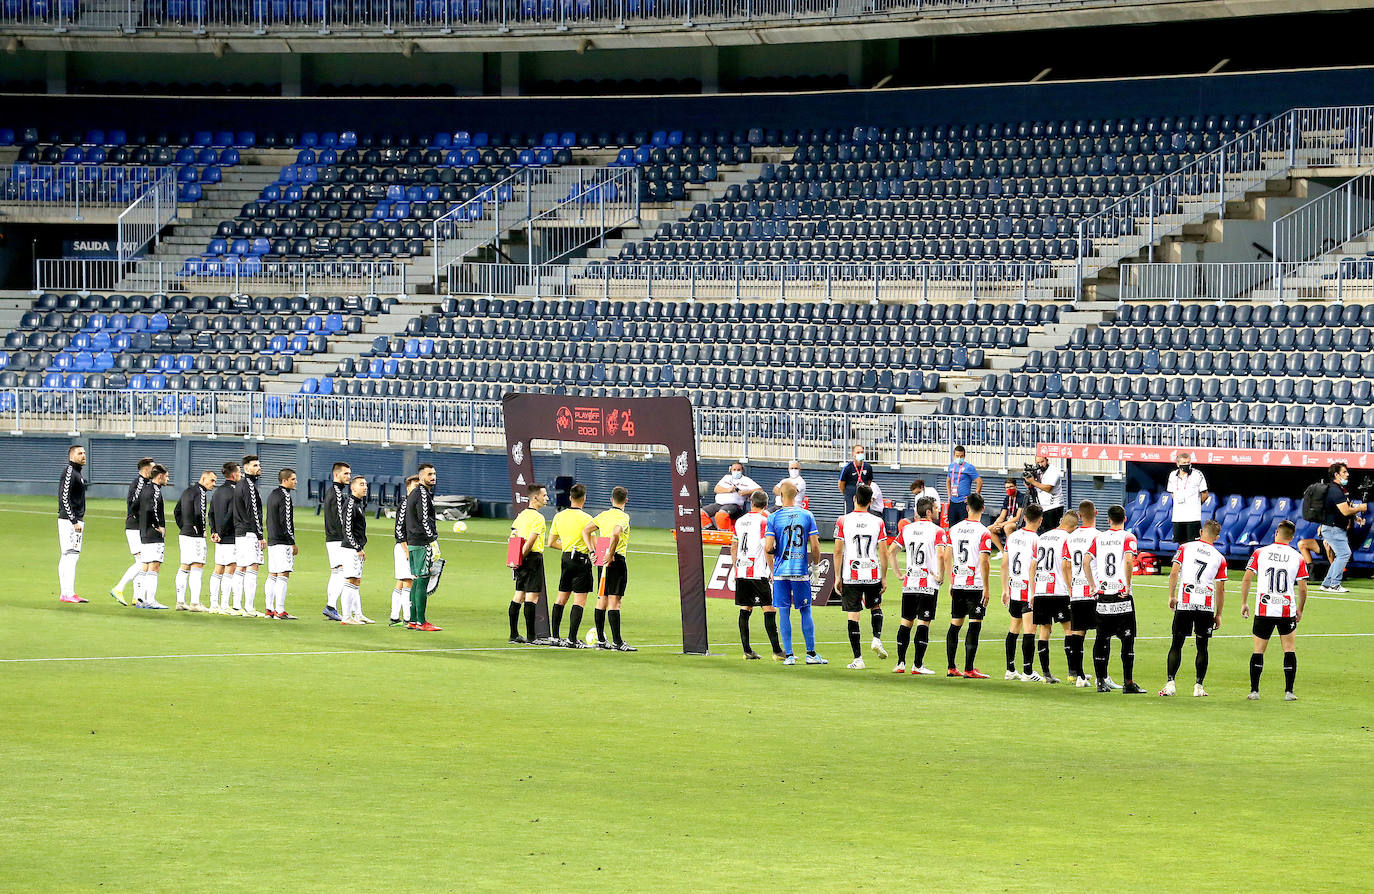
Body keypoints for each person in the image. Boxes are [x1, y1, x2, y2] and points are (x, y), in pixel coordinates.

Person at [1240, 520, 1308, 702]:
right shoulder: (1298, 557)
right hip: (1286, 610)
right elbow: (1302, 588)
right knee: (1289, 650)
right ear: (1292, 537)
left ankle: (1254, 691)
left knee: (1258, 650)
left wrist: (1244, 602)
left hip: (1264, 608)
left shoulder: (1260, 553)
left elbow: (1247, 579)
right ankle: (1289, 692)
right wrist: (1300, 609)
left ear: (1277, 532)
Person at [1161, 519, 1228, 698]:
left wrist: (1171, 595)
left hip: (1185, 602)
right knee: (1202, 646)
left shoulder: (1185, 548)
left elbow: (1174, 572)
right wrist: (1219, 613)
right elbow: (1221, 589)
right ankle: (1198, 686)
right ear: (1217, 537)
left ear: (1200, 531)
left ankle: (1170, 683)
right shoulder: (1220, 558)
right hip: (1205, 606)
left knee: (1177, 643)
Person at [764, 480, 825, 666]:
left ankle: (789, 655)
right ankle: (811, 653)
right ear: (796, 495)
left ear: (781, 496)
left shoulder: (773, 518)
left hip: (781, 571)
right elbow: (815, 545)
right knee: (806, 611)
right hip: (800, 571)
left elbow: (768, 547)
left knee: (784, 612)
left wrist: (774, 565)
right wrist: (815, 567)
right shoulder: (807, 515)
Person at [833, 484, 888, 670]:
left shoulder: (843, 520)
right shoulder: (878, 521)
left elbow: (838, 551)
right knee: (875, 606)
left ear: (854, 499)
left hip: (851, 573)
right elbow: (883, 551)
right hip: (871, 571)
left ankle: (858, 659)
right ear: (871, 502)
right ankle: (876, 638)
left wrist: (837, 576)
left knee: (853, 615)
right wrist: (884, 576)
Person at [1092, 505, 1145, 693]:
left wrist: (1093, 586)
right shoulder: (1128, 537)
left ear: (1108, 520)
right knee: (1127, 639)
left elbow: (1085, 560)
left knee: (1101, 638)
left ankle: (1100, 682)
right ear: (1125, 518)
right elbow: (1129, 560)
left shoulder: (1099, 538)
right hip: (1122, 595)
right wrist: (1128, 585)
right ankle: (1128, 682)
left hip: (1103, 595)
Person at [894, 495, 949, 675]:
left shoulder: (907, 529)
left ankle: (900, 663)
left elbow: (891, 550)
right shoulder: (937, 531)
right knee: (923, 622)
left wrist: (898, 573)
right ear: (928, 511)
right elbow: (941, 555)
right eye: (935, 508)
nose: (938, 510)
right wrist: (940, 576)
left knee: (905, 622)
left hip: (910, 583)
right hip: (928, 584)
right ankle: (917, 665)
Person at [945, 492, 993, 679]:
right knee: (975, 624)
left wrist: (951, 580)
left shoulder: (954, 529)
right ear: (983, 508)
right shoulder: (983, 532)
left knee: (955, 623)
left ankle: (951, 667)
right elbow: (984, 561)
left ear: (967, 508)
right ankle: (968, 668)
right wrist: (987, 588)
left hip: (958, 582)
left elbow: (946, 556)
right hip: (975, 586)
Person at [732, 490, 783, 660]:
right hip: (758, 572)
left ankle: (747, 651)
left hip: (742, 570)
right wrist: (772, 571)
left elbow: (733, 546)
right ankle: (777, 651)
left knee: (746, 608)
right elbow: (768, 548)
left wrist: (736, 568)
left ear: (751, 503)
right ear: (766, 505)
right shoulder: (765, 521)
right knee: (769, 608)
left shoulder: (740, 521)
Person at [584, 486, 635, 651]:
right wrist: (611, 554)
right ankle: (618, 642)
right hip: (615, 559)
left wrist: (593, 551)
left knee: (602, 599)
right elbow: (615, 534)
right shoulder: (623, 516)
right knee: (615, 601)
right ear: (626, 500)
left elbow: (586, 531)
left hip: (601, 553)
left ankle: (600, 639)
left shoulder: (603, 515)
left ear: (611, 499)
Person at [1031, 508, 1076, 684]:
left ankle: (1046, 674)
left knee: (1044, 631)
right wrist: (1071, 588)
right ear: (1073, 526)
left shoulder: (1042, 537)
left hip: (1041, 590)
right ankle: (1072, 672)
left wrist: (1033, 591)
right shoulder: (1068, 538)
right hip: (1059, 591)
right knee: (1069, 630)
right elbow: (1066, 566)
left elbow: (1032, 566)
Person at [548, 483, 595, 647]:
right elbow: (593, 544)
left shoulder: (559, 516)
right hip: (581, 560)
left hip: (566, 558)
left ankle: (554, 636)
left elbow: (551, 543)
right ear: (584, 498)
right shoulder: (588, 519)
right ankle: (572, 639)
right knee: (579, 600)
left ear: (570, 498)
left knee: (561, 598)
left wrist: (568, 547)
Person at [1002, 503, 1042, 681]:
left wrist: (1004, 589)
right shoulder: (1037, 540)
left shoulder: (1012, 536)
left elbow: (1005, 563)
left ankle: (1010, 669)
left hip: (1014, 587)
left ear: (1024, 517)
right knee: (1029, 631)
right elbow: (1034, 567)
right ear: (1040, 520)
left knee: (1013, 629)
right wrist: (1034, 592)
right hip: (1028, 590)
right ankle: (1027, 672)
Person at [1064, 500, 1100, 688]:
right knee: (1103, 634)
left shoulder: (1070, 537)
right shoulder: (1099, 536)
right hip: (1094, 592)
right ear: (1096, 513)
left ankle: (1079, 676)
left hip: (1076, 591)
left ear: (1079, 516)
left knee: (1077, 633)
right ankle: (1103, 676)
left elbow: (1066, 565)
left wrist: (1071, 586)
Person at [110, 456, 155, 605]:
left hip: (140, 527)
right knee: (142, 562)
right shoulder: (139, 483)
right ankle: (118, 588)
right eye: (153, 468)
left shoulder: (147, 483)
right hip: (134, 527)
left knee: (141, 562)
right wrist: (141, 515)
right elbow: (132, 504)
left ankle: (136, 597)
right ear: (146, 469)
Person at [403, 463, 442, 632]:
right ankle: (421, 621)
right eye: (429, 474)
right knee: (423, 579)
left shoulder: (414, 493)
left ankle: (412, 619)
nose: (432, 477)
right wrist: (432, 540)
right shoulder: (423, 495)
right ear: (421, 477)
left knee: (417, 579)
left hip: (412, 542)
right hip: (422, 542)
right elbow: (424, 519)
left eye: (434, 474)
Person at [508, 483, 549, 645]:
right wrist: (521, 557)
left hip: (520, 557)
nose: (547, 498)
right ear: (535, 497)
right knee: (532, 597)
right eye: (544, 495)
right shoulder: (538, 518)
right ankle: (532, 637)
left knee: (519, 595)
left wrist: (514, 559)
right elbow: (531, 541)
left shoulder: (521, 515)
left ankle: (514, 635)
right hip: (532, 558)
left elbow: (513, 537)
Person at [1318, 462, 1367, 594]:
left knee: (1341, 554)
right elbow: (1345, 511)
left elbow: (1341, 510)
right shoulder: (1335, 490)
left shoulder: (1339, 490)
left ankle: (1327, 583)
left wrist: (1356, 518)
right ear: (1336, 475)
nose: (1347, 474)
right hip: (1333, 528)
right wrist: (1360, 507)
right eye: (1344, 472)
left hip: (1334, 528)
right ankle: (1335, 585)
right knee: (1344, 554)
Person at [173, 469, 216, 612]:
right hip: (194, 536)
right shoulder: (201, 493)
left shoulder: (187, 491)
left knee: (184, 566)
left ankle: (180, 601)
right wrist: (200, 529)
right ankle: (195, 603)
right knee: (198, 566)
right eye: (212, 480)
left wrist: (184, 526)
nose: (213, 484)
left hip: (184, 534)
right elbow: (199, 512)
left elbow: (176, 511)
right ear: (203, 479)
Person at [233, 454, 267, 619]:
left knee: (241, 567)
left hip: (240, 532)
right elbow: (253, 512)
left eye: (259, 465)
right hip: (249, 533)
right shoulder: (249, 486)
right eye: (255, 465)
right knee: (253, 567)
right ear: (246, 468)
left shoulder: (239, 485)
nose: (258, 468)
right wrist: (260, 535)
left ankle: (237, 605)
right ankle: (249, 607)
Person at [264, 467, 298, 620]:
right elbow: (286, 522)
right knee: (283, 574)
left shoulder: (272, 494)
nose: (295, 482)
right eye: (293, 479)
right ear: (285, 480)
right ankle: (280, 610)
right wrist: (292, 542)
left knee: (272, 574)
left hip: (272, 540)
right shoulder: (285, 496)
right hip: (282, 541)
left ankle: (269, 609)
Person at [134, 464, 170, 610]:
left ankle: (140, 599)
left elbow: (133, 506)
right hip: (153, 534)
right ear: (160, 476)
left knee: (145, 566)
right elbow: (152, 509)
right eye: (166, 476)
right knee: (154, 566)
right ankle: (151, 600)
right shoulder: (155, 490)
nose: (168, 479)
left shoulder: (144, 489)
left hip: (143, 533)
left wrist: (142, 522)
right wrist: (158, 525)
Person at [57, 445, 88, 604]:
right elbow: (64, 497)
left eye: (84, 453)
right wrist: (74, 520)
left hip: (73, 519)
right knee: (71, 555)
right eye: (79, 453)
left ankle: (66, 593)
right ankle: (68, 593)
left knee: (67, 555)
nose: (83, 455)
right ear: (71, 456)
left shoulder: (77, 473)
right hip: (70, 521)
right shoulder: (70, 471)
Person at [208, 461, 240, 615]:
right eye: (239, 472)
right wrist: (221, 532)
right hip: (229, 536)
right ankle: (225, 605)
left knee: (218, 569)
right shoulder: (235, 491)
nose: (240, 475)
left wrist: (214, 531)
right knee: (231, 568)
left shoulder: (218, 491)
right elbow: (231, 514)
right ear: (234, 475)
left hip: (219, 538)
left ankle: (214, 604)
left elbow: (211, 513)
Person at [338, 475, 371, 625]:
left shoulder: (358, 504)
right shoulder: (350, 504)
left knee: (356, 581)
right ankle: (346, 617)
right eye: (361, 484)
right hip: (351, 549)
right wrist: (357, 547)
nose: (365, 487)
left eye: (366, 485)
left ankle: (358, 614)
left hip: (356, 548)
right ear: (353, 487)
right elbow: (347, 530)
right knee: (350, 580)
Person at [322, 461, 352, 622]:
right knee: (341, 572)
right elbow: (341, 520)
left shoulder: (333, 491)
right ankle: (331, 606)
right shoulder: (337, 493)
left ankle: (331, 606)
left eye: (349, 473)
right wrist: (347, 539)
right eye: (345, 473)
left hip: (332, 538)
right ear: (336, 474)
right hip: (337, 539)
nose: (348, 476)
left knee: (336, 572)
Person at [389, 476, 419, 627]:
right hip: (404, 547)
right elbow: (398, 530)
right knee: (408, 581)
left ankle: (395, 616)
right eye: (415, 485)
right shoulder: (406, 504)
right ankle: (408, 618)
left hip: (408, 547)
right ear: (408, 488)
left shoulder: (416, 503)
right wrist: (406, 550)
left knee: (401, 582)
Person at [1165, 452, 1209, 546]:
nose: (1186, 465)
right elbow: (1172, 493)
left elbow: (1205, 494)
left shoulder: (1197, 474)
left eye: (1188, 462)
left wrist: (1196, 504)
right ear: (1178, 464)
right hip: (1178, 517)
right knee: (1181, 544)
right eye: (1184, 463)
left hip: (1193, 517)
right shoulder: (1172, 475)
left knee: (1193, 544)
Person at [706, 461, 762, 527]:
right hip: (718, 504)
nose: (736, 471)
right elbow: (716, 489)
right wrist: (728, 490)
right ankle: (711, 530)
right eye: (734, 469)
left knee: (721, 515)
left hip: (734, 506)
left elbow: (760, 490)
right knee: (701, 513)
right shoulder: (726, 477)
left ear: (742, 471)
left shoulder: (746, 480)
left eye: (738, 470)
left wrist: (746, 492)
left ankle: (725, 534)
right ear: (731, 470)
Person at [1025, 453, 1065, 531]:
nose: (1040, 464)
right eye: (1038, 463)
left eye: (1042, 462)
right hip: (1042, 506)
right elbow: (1033, 485)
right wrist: (1028, 482)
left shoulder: (1053, 470)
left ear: (1047, 460)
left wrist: (1032, 482)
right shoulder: (1038, 470)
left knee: (1051, 531)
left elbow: (1048, 488)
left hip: (1054, 506)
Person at [945, 445, 982, 526]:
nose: (959, 458)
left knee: (964, 526)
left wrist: (974, 497)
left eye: (961, 456)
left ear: (964, 456)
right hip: (953, 501)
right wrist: (949, 495)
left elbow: (979, 481)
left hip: (963, 502)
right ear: (954, 456)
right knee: (952, 527)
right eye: (957, 456)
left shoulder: (969, 467)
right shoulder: (951, 466)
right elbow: (948, 481)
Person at [837, 444, 874, 515]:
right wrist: (848, 493)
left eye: (862, 452)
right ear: (853, 454)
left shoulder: (868, 467)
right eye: (858, 452)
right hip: (850, 498)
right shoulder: (847, 468)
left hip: (864, 499)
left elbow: (869, 482)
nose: (860, 454)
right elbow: (841, 484)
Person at [989, 478, 1025, 545]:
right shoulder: (1007, 498)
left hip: (1020, 523)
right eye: (1007, 488)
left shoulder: (1022, 497)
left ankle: (1009, 550)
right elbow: (1002, 516)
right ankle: (1003, 551)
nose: (1009, 489)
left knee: (1007, 527)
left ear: (1016, 487)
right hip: (1008, 522)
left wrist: (1002, 524)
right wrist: (996, 524)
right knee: (990, 528)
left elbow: (1018, 517)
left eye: (1011, 487)